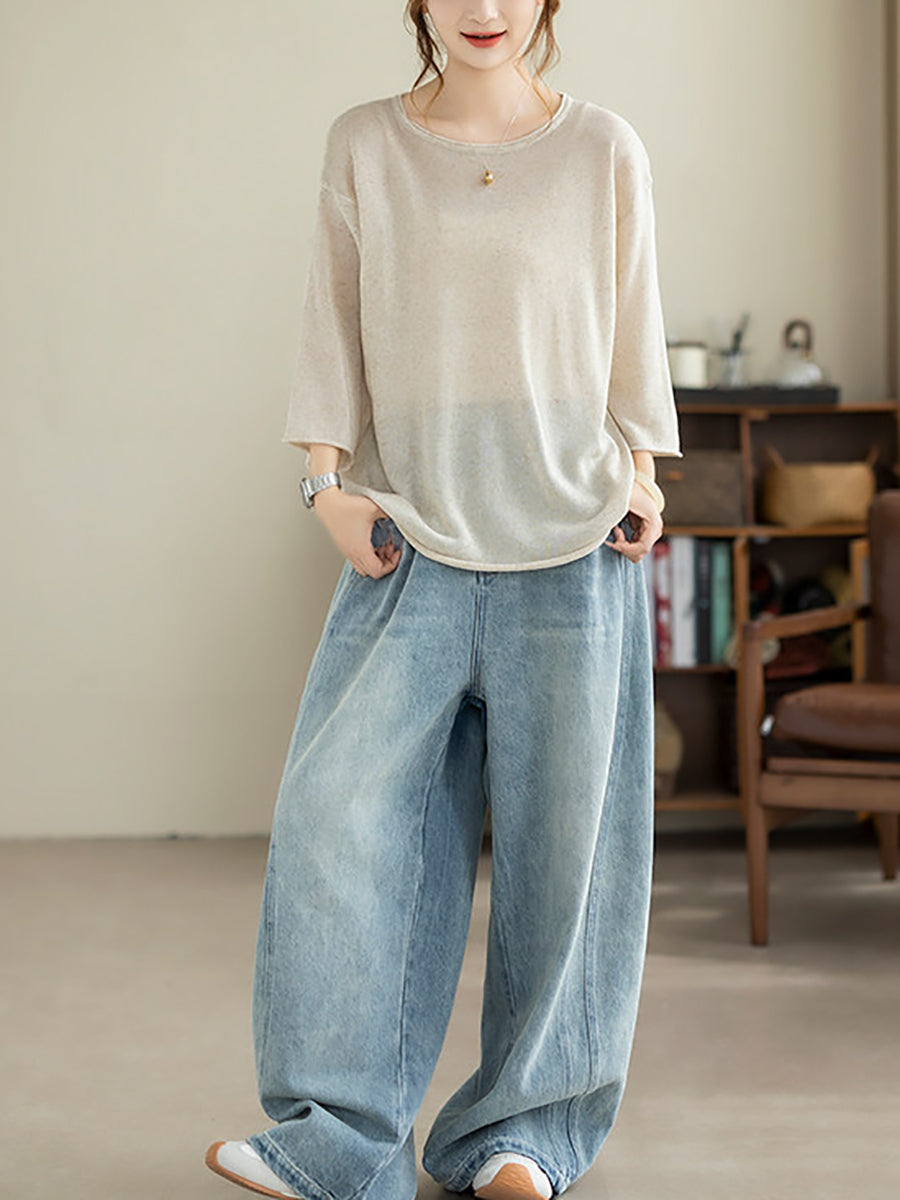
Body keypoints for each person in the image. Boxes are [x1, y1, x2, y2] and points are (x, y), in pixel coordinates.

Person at [206, 2, 681, 1198]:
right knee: (341, 832)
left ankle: (523, 1138)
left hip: (574, 546)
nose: (484, 9)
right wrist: (322, 483)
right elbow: (332, 319)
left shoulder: (603, 148)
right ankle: (337, 1145)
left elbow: (632, 327)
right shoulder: (366, 144)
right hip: (407, 540)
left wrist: (642, 473)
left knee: (570, 860)